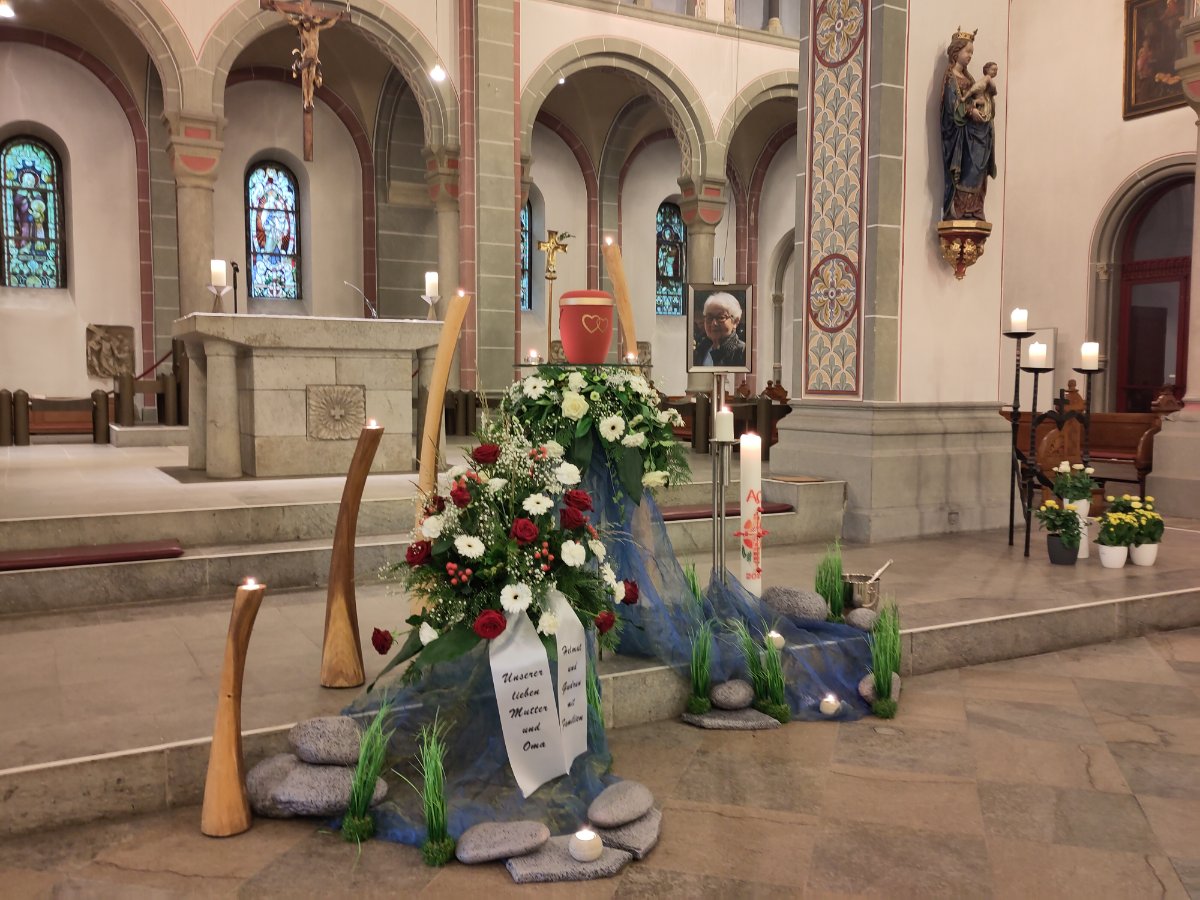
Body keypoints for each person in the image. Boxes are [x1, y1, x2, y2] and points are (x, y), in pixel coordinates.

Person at [939, 29, 997, 221]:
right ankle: (960, 208)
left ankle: (975, 208)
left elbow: (980, 96)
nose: (970, 56)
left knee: (977, 169)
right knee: (965, 169)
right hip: (961, 137)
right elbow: (952, 106)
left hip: (977, 134)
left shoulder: (971, 79)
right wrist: (970, 110)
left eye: (972, 52)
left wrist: (985, 104)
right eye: (967, 52)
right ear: (956, 52)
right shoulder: (951, 78)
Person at [692, 292, 746, 367]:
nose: (714, 323)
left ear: (735, 322)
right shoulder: (700, 351)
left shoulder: (743, 353)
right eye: (709, 317)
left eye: (721, 317)